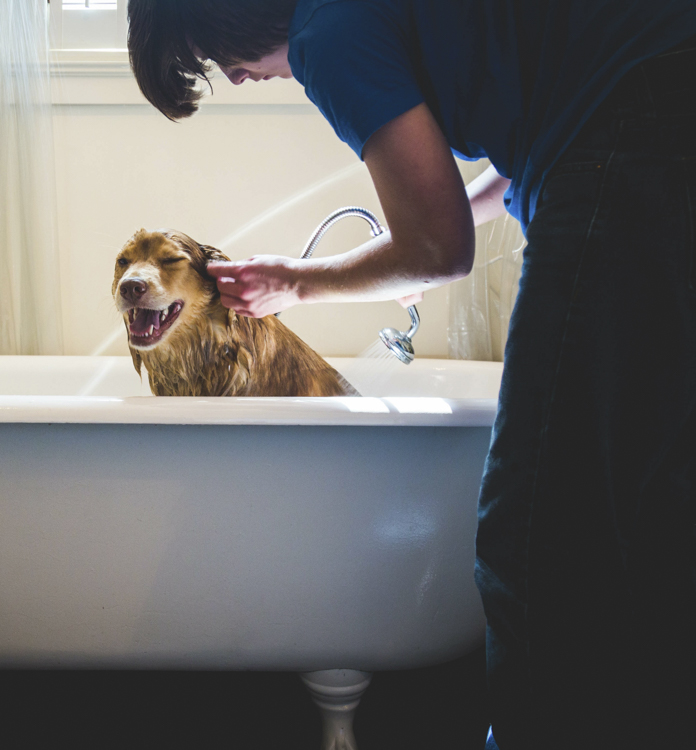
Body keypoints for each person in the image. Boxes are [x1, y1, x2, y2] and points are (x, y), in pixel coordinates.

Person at [127, 2, 696, 748]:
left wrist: (298, 282)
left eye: (206, 54)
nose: (231, 77)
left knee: (541, 529)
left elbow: (438, 248)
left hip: (636, 141)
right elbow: (509, 159)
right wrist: (425, 226)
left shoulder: (324, 32)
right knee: (650, 511)